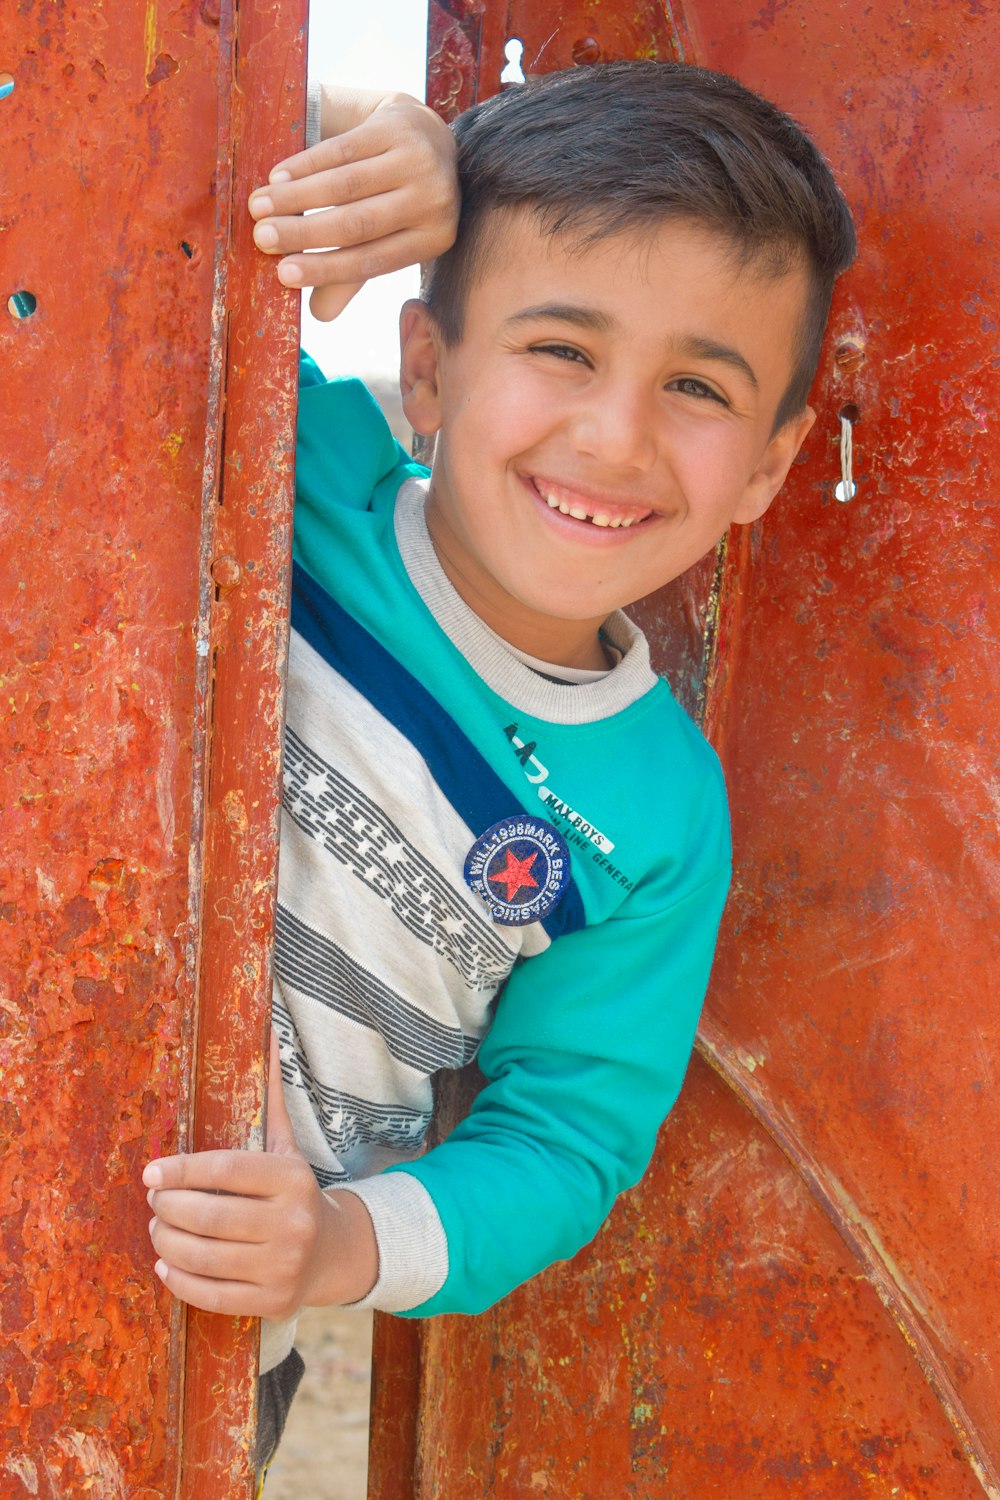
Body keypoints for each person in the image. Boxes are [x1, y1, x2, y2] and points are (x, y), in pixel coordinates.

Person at [142, 62, 856, 1479]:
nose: (615, 435)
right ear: (426, 366)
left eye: (699, 387)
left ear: (769, 468)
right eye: (561, 348)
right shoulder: (296, 463)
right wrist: (373, 153)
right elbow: (84, 203)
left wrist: (344, 1241)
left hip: (191, 1314)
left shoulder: (657, 819)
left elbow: (568, 1136)